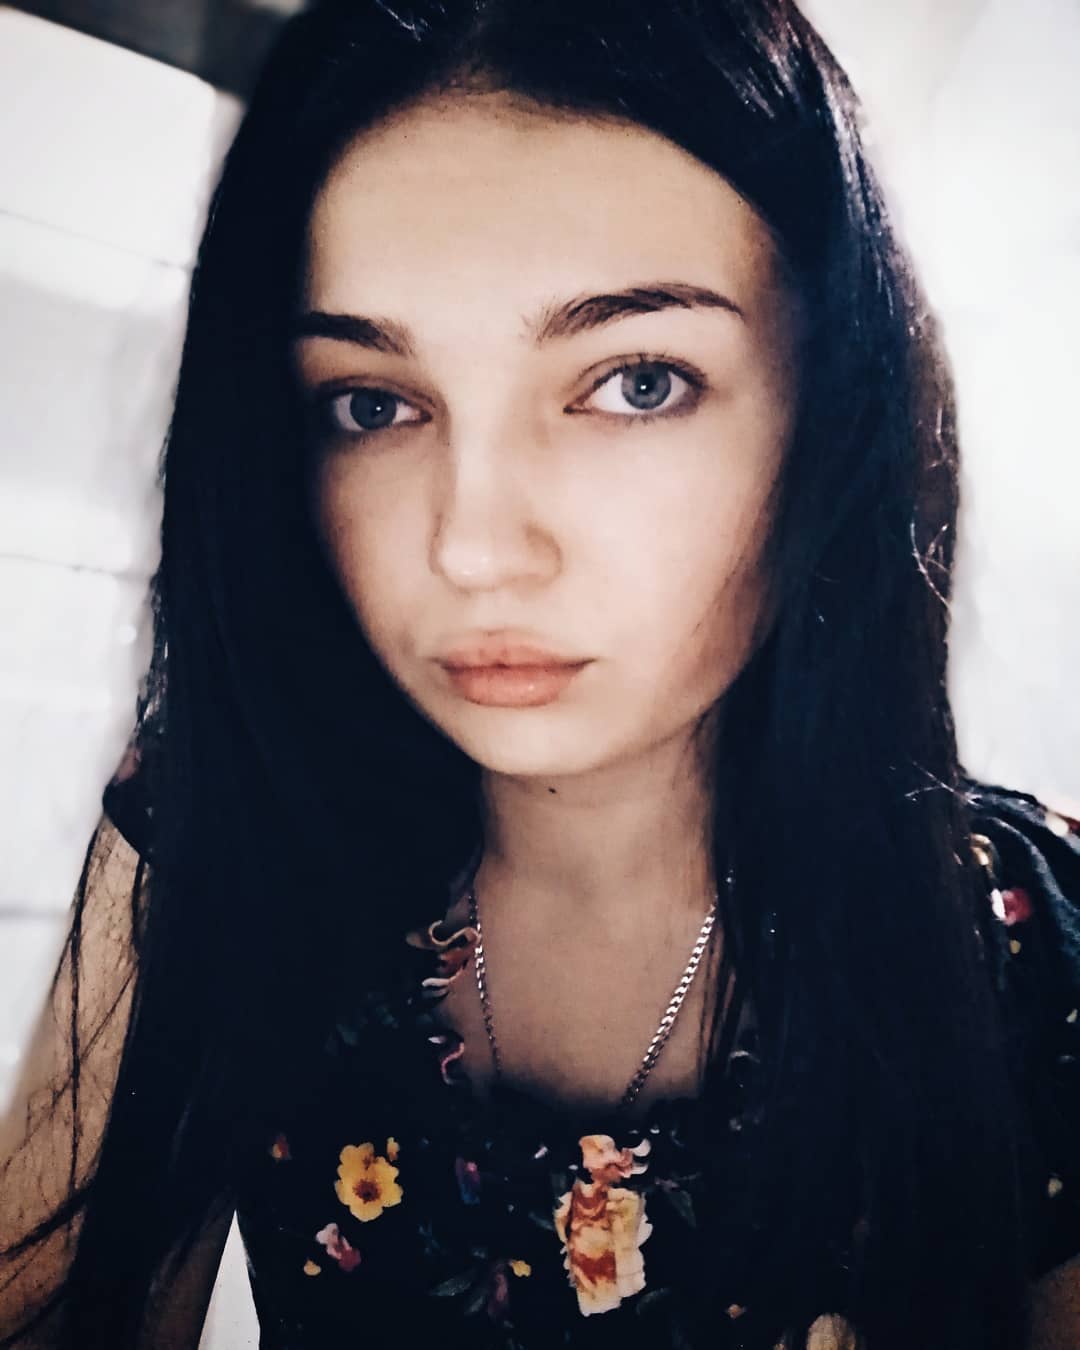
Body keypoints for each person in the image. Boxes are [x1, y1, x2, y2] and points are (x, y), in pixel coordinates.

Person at [2, 0, 1079, 1346]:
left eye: (636, 382)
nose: (473, 547)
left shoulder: (1025, 947)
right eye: (373, 404)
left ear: (833, 413)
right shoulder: (225, 823)